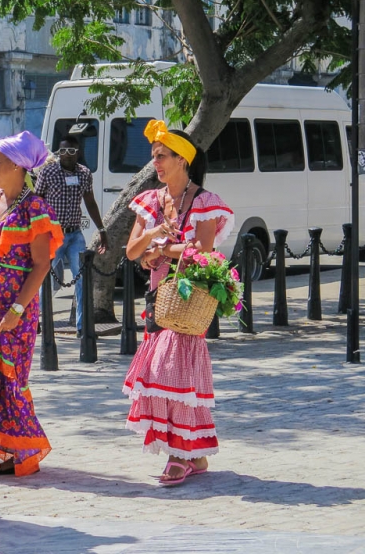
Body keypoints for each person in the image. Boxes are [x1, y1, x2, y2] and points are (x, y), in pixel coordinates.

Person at [123, 120, 234, 486]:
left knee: (172, 375)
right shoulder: (151, 201)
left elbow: (203, 251)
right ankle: (194, 451)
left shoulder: (204, 202)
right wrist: (154, 237)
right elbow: (132, 250)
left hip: (188, 303)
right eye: (154, 156)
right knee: (163, 374)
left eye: (162, 155)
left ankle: (177, 453)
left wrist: (160, 251)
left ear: (182, 160)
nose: (155, 162)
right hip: (160, 299)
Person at [0, 131, 64, 478]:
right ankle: (15, 450)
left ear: (20, 167)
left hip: (12, 310)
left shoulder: (34, 208)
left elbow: (41, 265)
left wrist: (17, 309)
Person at [35, 134, 107, 338]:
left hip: (75, 233)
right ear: (59, 152)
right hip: (52, 233)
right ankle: (38, 319)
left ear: (78, 153)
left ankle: (82, 326)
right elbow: (38, 201)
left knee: (82, 279)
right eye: (63, 151)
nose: (67, 155)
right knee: (46, 279)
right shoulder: (48, 172)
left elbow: (90, 202)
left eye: (72, 151)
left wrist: (101, 230)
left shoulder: (84, 173)